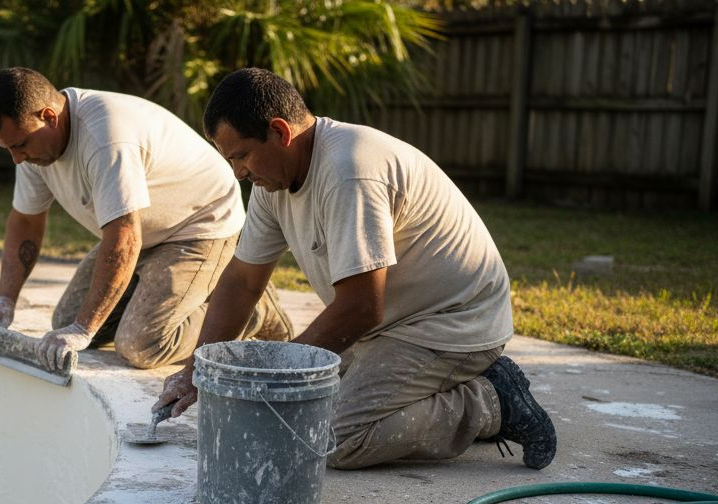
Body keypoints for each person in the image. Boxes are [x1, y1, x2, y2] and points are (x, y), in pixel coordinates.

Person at [155, 68, 556, 470]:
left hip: (452, 325)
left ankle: (490, 401)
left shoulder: (349, 171)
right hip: (387, 327)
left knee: (329, 440)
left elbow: (362, 306)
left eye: (241, 155)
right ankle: (444, 391)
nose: (239, 173)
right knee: (291, 416)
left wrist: (280, 375)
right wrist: (195, 369)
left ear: (280, 132)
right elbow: (242, 281)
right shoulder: (271, 183)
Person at [0, 67, 291, 373]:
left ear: (49, 117)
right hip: (145, 229)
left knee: (141, 344)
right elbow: (26, 221)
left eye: (20, 145)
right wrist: (4, 299)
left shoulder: (105, 137)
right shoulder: (34, 150)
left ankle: (252, 312)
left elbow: (124, 238)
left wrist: (84, 327)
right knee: (65, 322)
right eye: (9, 149)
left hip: (201, 225)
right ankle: (204, 294)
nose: (17, 158)